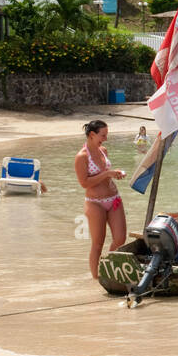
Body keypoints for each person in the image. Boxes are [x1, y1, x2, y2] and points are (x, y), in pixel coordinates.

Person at [74, 119, 127, 279]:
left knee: (120, 239)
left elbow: (106, 175)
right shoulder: (81, 157)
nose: (105, 138)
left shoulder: (103, 150)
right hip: (95, 203)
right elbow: (84, 183)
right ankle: (97, 279)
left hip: (114, 198)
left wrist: (115, 174)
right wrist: (107, 174)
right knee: (98, 244)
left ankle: (107, 268)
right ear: (92, 135)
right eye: (103, 135)